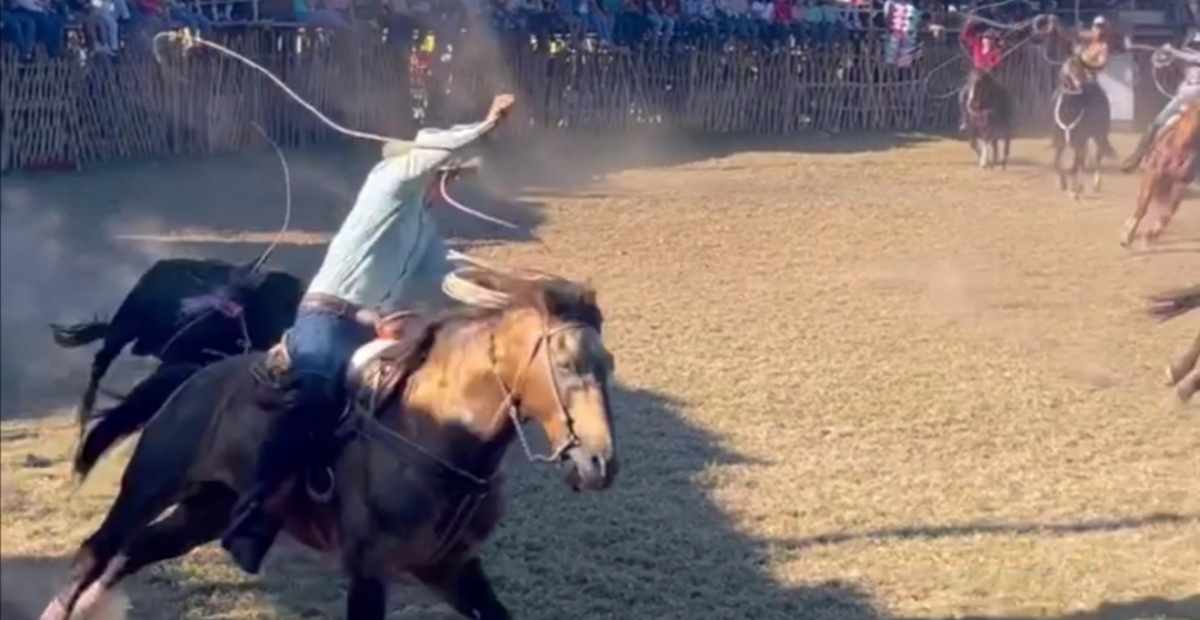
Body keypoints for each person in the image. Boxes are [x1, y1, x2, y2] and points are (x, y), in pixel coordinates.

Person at [220, 93, 517, 576]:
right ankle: (251, 521)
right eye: (451, 172)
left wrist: (514, 296)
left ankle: (364, 505)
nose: (454, 181)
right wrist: (485, 126)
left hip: (364, 330)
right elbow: (431, 153)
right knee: (315, 395)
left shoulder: (421, 227)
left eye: (456, 175)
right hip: (325, 317)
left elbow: (451, 275)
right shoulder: (390, 182)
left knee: (404, 407)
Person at [1121, 36, 1200, 173]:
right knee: (1155, 124)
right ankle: (1137, 157)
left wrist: (1173, 51)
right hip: (1180, 99)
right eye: (1195, 46)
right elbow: (1161, 63)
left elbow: (1193, 58)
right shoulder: (1183, 59)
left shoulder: (1189, 57)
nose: (1196, 49)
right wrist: (1162, 54)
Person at [958, 17, 1002, 132]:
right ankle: (965, 120)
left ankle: (1000, 119)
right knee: (963, 95)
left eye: (989, 39)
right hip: (976, 74)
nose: (986, 40)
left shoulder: (995, 51)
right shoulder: (977, 44)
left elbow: (996, 64)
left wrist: (989, 69)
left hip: (989, 77)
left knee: (998, 95)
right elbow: (965, 36)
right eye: (985, 38)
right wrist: (969, 24)